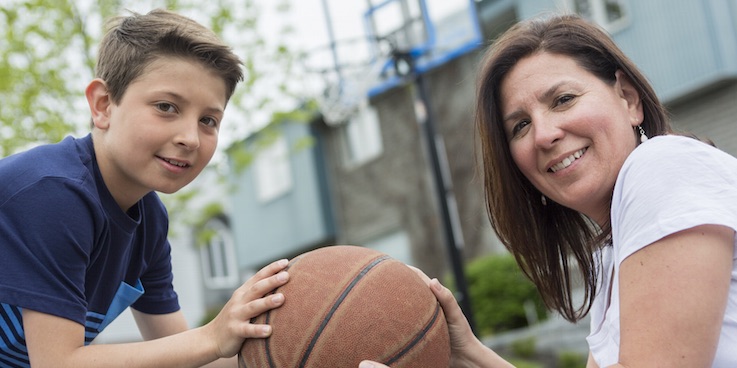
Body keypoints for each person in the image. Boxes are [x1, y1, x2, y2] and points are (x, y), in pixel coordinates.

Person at [361, 13, 737, 368]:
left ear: (628, 98)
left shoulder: (661, 167)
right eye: (520, 126)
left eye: (563, 100)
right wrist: (469, 355)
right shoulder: (614, 252)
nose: (543, 135)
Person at [0, 9, 290, 368]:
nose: (189, 138)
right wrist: (212, 336)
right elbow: (58, 363)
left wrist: (299, 350)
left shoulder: (149, 220)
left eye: (208, 121)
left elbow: (188, 355)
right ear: (103, 105)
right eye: (166, 107)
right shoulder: (53, 194)